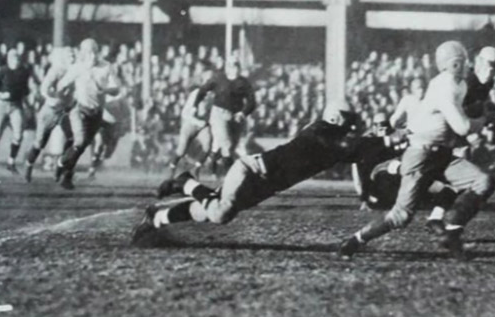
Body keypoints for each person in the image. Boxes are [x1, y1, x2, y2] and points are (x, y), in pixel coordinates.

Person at [338, 40, 495, 261]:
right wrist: (484, 118)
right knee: (401, 216)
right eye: (459, 62)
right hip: (420, 155)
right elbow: (463, 126)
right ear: (452, 64)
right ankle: (355, 240)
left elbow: (461, 110)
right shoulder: (445, 86)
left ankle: (452, 232)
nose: (463, 66)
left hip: (442, 154)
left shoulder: (458, 84)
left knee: (484, 182)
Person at [131, 99, 369, 245]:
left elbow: (353, 152)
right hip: (252, 170)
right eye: (349, 120)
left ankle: (157, 218)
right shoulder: (321, 130)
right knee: (220, 214)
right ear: (335, 118)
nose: (352, 125)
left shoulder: (330, 137)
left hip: (265, 184)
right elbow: (340, 145)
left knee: (207, 213)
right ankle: (185, 183)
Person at [54, 39, 123, 189]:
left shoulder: (106, 67)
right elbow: (61, 84)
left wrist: (105, 90)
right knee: (79, 142)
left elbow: (117, 88)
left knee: (82, 146)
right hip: (79, 110)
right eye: (89, 53)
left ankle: (66, 175)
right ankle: (61, 164)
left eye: (95, 52)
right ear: (83, 54)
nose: (93, 56)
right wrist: (63, 97)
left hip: (96, 113)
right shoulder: (78, 67)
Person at [193, 54, 256, 176]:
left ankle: (212, 160)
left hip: (235, 116)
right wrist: (195, 105)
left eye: (237, 65)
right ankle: (229, 177)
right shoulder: (218, 78)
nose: (235, 68)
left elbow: (252, 102)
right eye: (232, 65)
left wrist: (243, 113)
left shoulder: (243, 82)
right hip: (219, 114)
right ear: (227, 67)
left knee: (230, 147)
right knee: (227, 145)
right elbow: (202, 90)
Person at [24, 47, 74, 183]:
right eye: (69, 56)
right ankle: (28, 165)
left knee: (73, 139)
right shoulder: (57, 70)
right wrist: (54, 93)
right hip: (50, 110)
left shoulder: (76, 71)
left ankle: (60, 166)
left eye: (73, 56)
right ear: (63, 58)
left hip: (65, 111)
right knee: (40, 142)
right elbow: (44, 89)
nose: (72, 58)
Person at [0, 49, 32, 176]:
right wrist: (0, 94)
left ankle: (11, 162)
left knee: (18, 134)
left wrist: (22, 96)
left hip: (16, 104)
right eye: (13, 58)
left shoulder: (24, 72)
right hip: (1, 104)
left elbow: (26, 89)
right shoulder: (3, 71)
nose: (16, 61)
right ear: (9, 59)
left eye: (18, 59)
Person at [167, 64, 215, 179]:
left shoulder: (214, 95)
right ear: (203, 80)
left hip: (203, 125)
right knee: (181, 150)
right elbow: (185, 113)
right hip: (191, 123)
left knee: (208, 146)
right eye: (208, 79)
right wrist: (198, 122)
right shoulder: (196, 94)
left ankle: (196, 169)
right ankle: (172, 169)